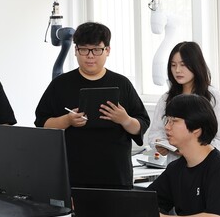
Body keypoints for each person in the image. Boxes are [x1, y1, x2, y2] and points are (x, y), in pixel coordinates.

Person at [34, 22, 149, 189]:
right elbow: (42, 123)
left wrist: (124, 119)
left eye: (96, 49)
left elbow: (141, 125)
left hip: (115, 175)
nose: (90, 56)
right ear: (75, 51)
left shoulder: (122, 83)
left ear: (107, 50)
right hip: (72, 175)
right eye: (84, 49)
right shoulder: (60, 84)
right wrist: (67, 120)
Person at [144, 41, 220, 159]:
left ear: (196, 65)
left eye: (183, 65)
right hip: (176, 166)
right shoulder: (166, 99)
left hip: (205, 166)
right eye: (173, 65)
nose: (177, 70)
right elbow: (155, 134)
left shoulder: (214, 98)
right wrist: (160, 144)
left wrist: (190, 148)